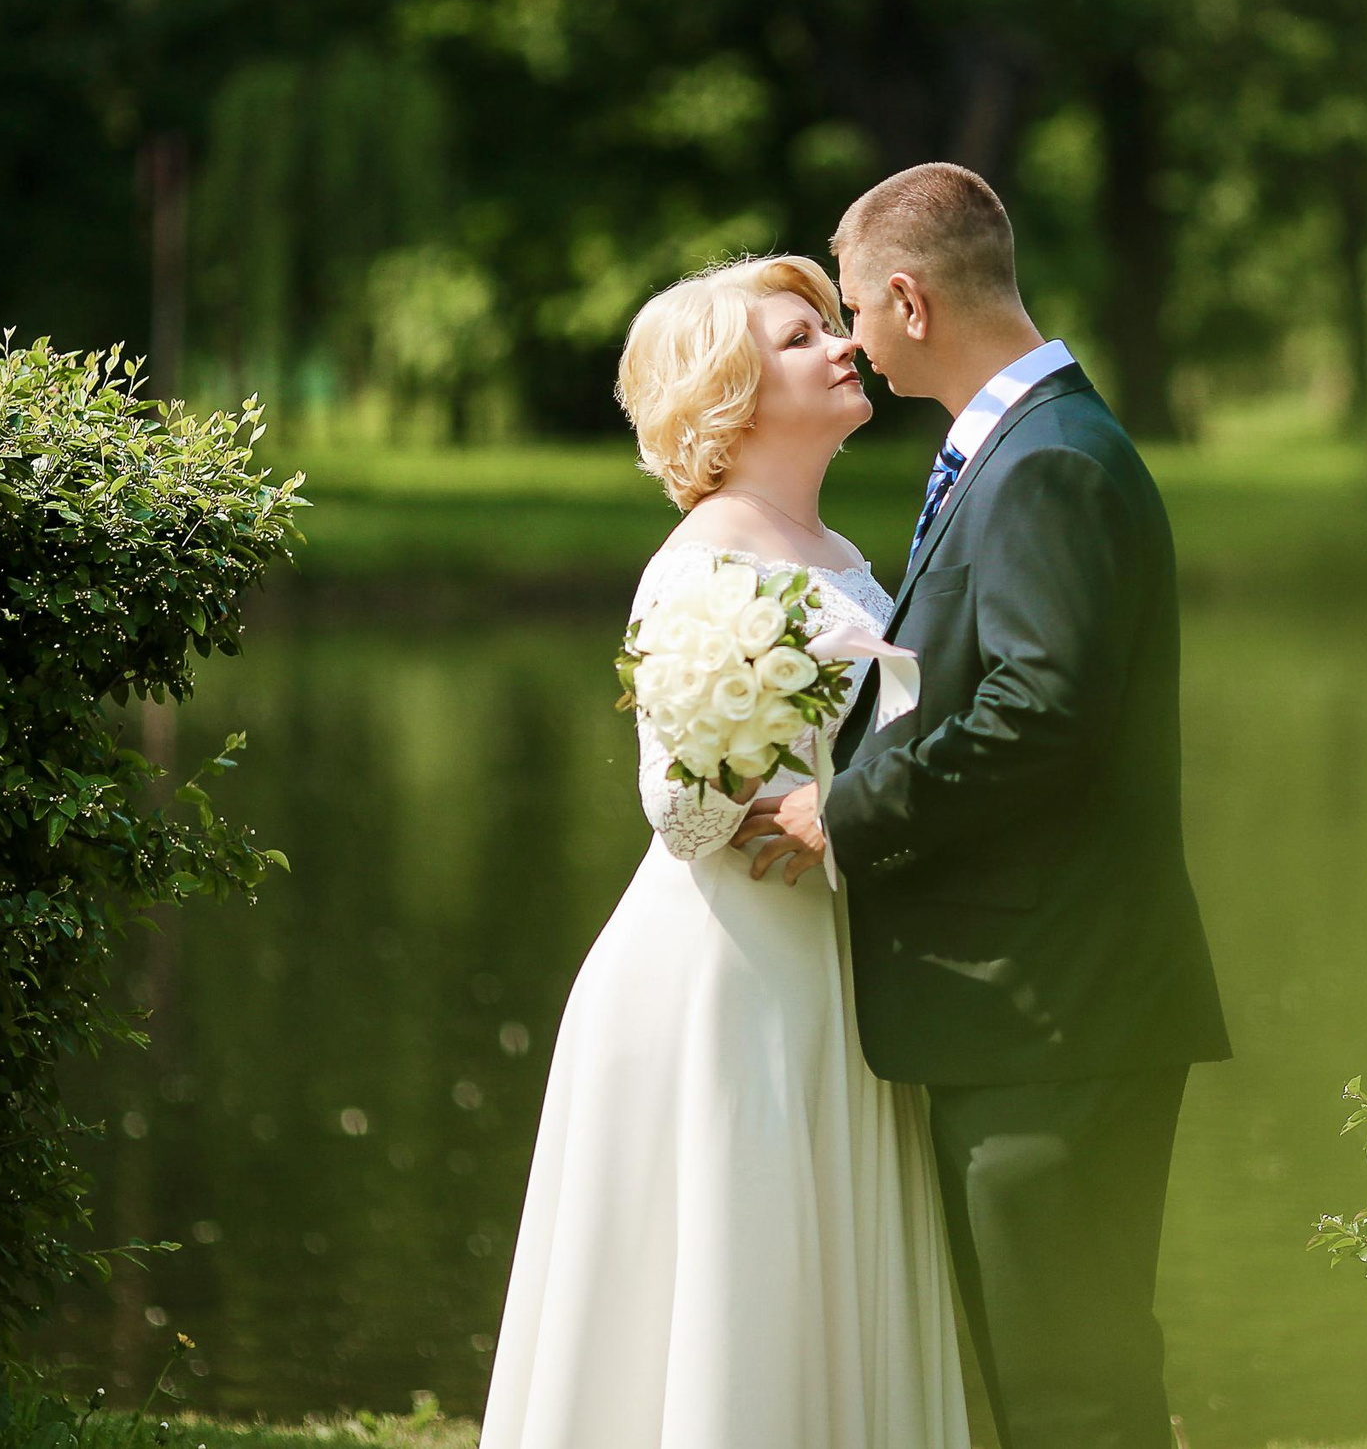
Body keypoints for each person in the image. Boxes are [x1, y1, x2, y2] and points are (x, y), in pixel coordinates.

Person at [736, 163, 1231, 1449]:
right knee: (1058, 1366)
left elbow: (1040, 712)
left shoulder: (1048, 465)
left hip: (1054, 1001)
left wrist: (845, 813)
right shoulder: (1023, 443)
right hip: (1042, 998)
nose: (847, 335)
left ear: (907, 296)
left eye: (852, 306)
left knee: (1069, 1380)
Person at [476, 253, 968, 1449]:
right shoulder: (705, 560)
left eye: (827, 325)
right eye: (801, 337)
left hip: (832, 945)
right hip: (725, 969)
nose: (842, 343)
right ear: (730, 391)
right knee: (731, 1259)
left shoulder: (837, 546)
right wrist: (764, 777)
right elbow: (680, 811)